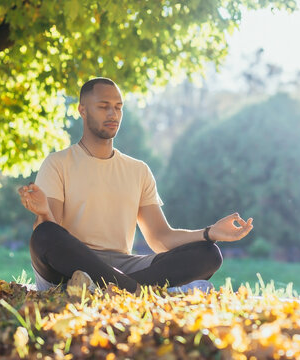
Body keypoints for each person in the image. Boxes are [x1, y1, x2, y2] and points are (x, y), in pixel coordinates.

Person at [18, 77, 253, 294]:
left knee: (208, 253)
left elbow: (161, 238)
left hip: (123, 266)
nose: (113, 113)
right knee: (44, 234)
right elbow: (54, 235)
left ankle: (113, 290)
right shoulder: (58, 163)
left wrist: (209, 233)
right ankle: (139, 292)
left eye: (118, 107)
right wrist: (43, 213)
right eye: (103, 106)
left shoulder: (137, 170)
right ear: (82, 110)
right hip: (73, 267)